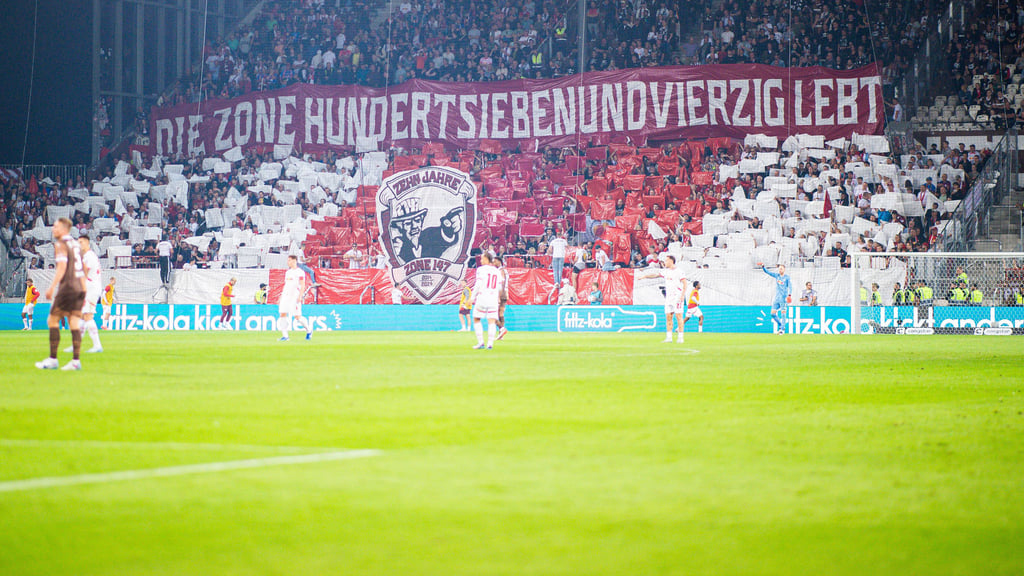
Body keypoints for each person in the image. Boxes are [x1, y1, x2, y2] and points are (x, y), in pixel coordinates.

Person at [36, 217, 87, 370]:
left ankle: (53, 359)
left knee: (52, 320)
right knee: (74, 323)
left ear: (64, 229)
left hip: (68, 287)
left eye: (56, 227)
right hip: (79, 287)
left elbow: (62, 268)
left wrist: (52, 287)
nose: (53, 229)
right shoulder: (76, 244)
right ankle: (76, 362)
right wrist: (84, 289)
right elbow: (83, 268)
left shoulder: (61, 244)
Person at [65, 237, 103, 353]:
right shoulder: (85, 256)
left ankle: (97, 345)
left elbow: (84, 273)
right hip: (87, 288)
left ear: (87, 243)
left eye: (81, 242)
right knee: (81, 315)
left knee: (87, 315)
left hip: (91, 289)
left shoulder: (89, 256)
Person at [641, 255, 686, 343]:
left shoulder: (679, 271)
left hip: (677, 297)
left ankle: (680, 337)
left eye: (666, 260)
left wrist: (682, 295)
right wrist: (645, 276)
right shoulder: (666, 271)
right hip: (668, 298)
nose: (664, 262)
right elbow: (656, 275)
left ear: (671, 261)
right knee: (668, 317)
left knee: (679, 317)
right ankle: (669, 337)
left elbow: (685, 283)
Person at [470, 251, 501, 349]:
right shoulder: (497, 271)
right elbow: (500, 286)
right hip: (493, 298)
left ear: (487, 259)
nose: (481, 260)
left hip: (482, 296)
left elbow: (478, 284)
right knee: (491, 321)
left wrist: (472, 297)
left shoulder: (481, 270)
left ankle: (481, 342)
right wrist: (498, 297)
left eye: (482, 258)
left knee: (476, 318)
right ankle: (490, 343)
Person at [278, 255, 314, 341]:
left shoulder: (300, 272)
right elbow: (286, 285)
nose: (288, 262)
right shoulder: (288, 272)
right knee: (282, 314)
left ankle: (309, 330)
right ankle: (285, 336)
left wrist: (300, 296)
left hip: (295, 296)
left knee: (297, 317)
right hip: (286, 296)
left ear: (294, 261)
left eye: (289, 260)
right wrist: (281, 295)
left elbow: (302, 285)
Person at [759, 263, 791, 334]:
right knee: (773, 314)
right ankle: (781, 325)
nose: (780, 270)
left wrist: (789, 295)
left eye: (781, 268)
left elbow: (790, 286)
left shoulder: (787, 277)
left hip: (783, 298)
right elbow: (768, 272)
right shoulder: (777, 276)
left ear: (784, 269)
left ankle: (782, 330)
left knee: (783, 314)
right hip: (777, 298)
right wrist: (763, 267)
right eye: (779, 269)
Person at [495, 256, 510, 340]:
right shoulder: (504, 270)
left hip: (500, 293)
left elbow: (502, 283)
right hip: (504, 293)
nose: (494, 263)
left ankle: (501, 329)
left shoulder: (500, 271)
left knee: (493, 314)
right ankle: (501, 334)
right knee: (500, 313)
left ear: (499, 261)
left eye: (495, 261)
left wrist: (498, 295)